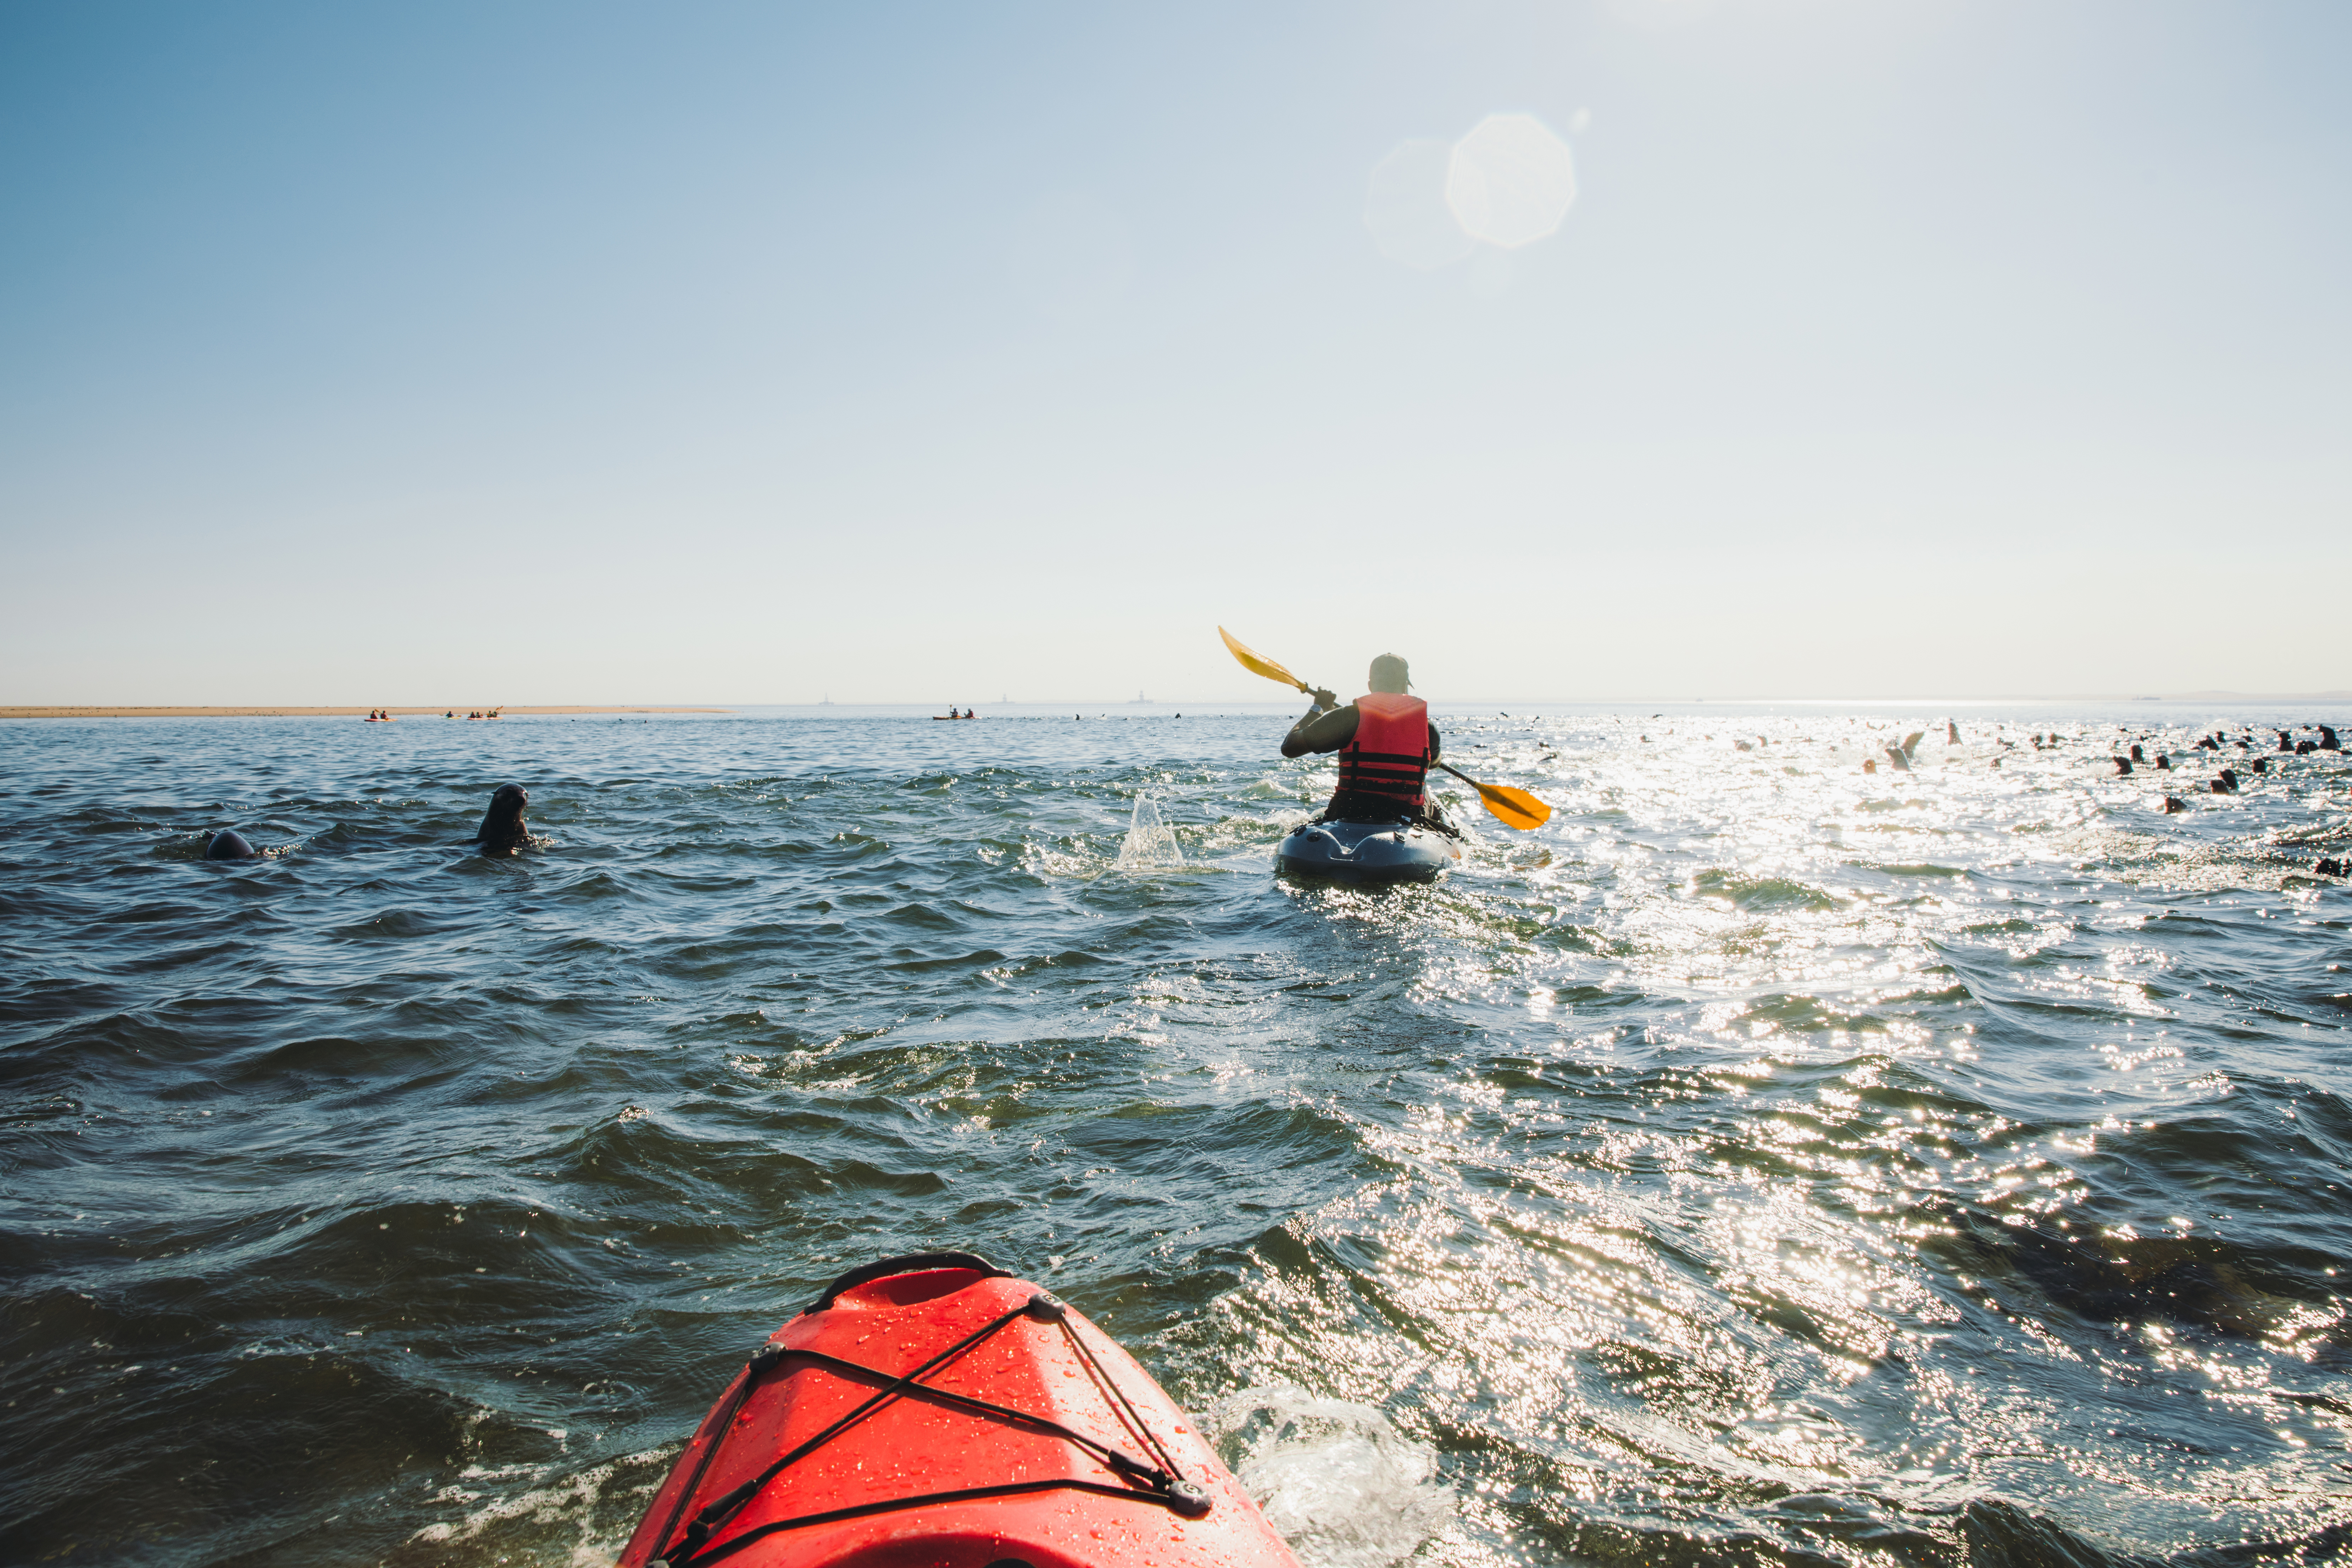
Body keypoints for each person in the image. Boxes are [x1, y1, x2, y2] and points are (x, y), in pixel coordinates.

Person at [1281, 652, 1451, 829]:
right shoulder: (1427, 727)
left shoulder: (1349, 717)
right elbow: (1434, 763)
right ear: (1404, 686)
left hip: (1348, 812)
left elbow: (1290, 747)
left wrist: (1319, 708)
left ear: (1370, 686)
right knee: (1425, 790)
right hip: (1404, 816)